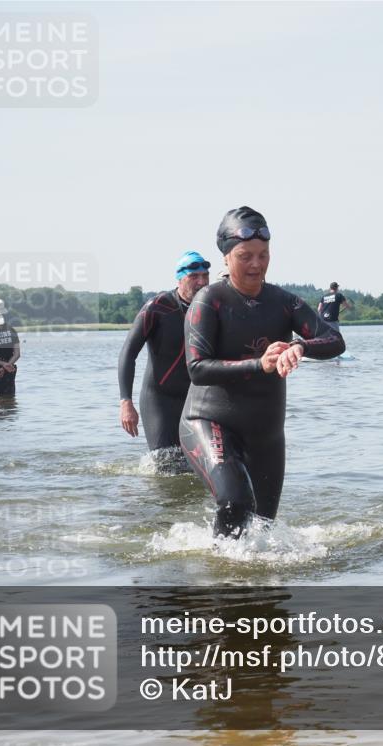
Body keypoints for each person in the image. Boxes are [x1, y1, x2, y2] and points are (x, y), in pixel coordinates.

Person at [180, 207, 344, 537]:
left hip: (266, 435)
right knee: (236, 503)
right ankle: (221, 581)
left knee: (263, 529)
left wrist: (301, 347)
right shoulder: (209, 301)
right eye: (245, 256)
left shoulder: (283, 302)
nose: (256, 264)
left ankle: (251, 586)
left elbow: (335, 339)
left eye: (263, 255)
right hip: (209, 422)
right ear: (226, 258)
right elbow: (197, 368)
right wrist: (260, 364)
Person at [118, 251, 210, 452]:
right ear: (179, 279)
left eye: (205, 276)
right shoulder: (158, 307)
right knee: (166, 463)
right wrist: (126, 402)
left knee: (203, 463)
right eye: (194, 277)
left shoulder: (212, 308)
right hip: (160, 400)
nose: (202, 282)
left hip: (196, 398)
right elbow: (128, 353)